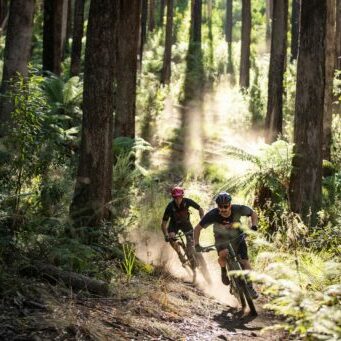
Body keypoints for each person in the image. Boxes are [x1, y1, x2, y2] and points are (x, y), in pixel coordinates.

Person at [193, 192, 258, 299]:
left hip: (238, 236)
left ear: (230, 205)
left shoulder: (238, 209)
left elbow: (253, 213)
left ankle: (250, 287)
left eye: (225, 206)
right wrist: (196, 244)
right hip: (221, 239)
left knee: (245, 261)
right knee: (223, 254)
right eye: (220, 206)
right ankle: (224, 271)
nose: (223, 209)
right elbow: (197, 229)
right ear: (217, 206)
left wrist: (254, 226)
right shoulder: (212, 215)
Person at [162, 186, 204, 264]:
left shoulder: (187, 201)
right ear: (173, 197)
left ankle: (192, 256)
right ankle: (179, 254)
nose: (178, 199)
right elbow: (164, 223)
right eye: (175, 198)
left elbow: (200, 208)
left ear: (182, 196)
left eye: (180, 197)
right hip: (174, 225)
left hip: (186, 224)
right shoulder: (170, 206)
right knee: (172, 238)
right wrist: (166, 235)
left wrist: (202, 218)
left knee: (191, 243)